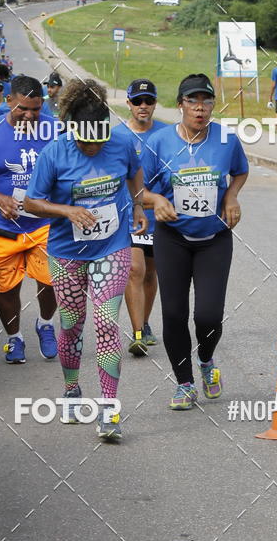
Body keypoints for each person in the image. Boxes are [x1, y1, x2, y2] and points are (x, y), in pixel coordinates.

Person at [24, 78, 172, 441]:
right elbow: (31, 202)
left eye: (98, 139)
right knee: (72, 325)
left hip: (113, 245)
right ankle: (72, 387)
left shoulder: (119, 142)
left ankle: (109, 411)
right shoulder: (54, 153)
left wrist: (137, 204)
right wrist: (66, 210)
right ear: (72, 128)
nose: (92, 147)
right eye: (85, 141)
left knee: (107, 322)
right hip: (66, 252)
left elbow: (134, 173)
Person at [142, 73, 249, 410]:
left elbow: (240, 171)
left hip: (214, 238)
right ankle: (184, 383)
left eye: (206, 101)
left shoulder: (226, 138)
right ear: (180, 105)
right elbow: (138, 186)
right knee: (173, 314)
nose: (200, 108)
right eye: (192, 101)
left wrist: (232, 195)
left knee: (208, 315)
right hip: (172, 237)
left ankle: (205, 360)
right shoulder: (159, 142)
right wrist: (156, 201)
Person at [0, 75, 58, 364]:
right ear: (8, 101)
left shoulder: (55, 130)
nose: (30, 115)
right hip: (3, 227)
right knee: (8, 289)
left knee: (51, 281)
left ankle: (45, 324)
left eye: (35, 109)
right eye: (23, 108)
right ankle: (14, 338)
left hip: (43, 224)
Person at [119, 78, 166, 356]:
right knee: (134, 270)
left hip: (158, 215)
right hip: (128, 216)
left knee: (151, 273)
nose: (143, 106)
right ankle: (137, 332)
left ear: (155, 103)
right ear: (128, 104)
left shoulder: (167, 133)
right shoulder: (117, 136)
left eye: (148, 101)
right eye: (137, 101)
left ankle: (145, 324)